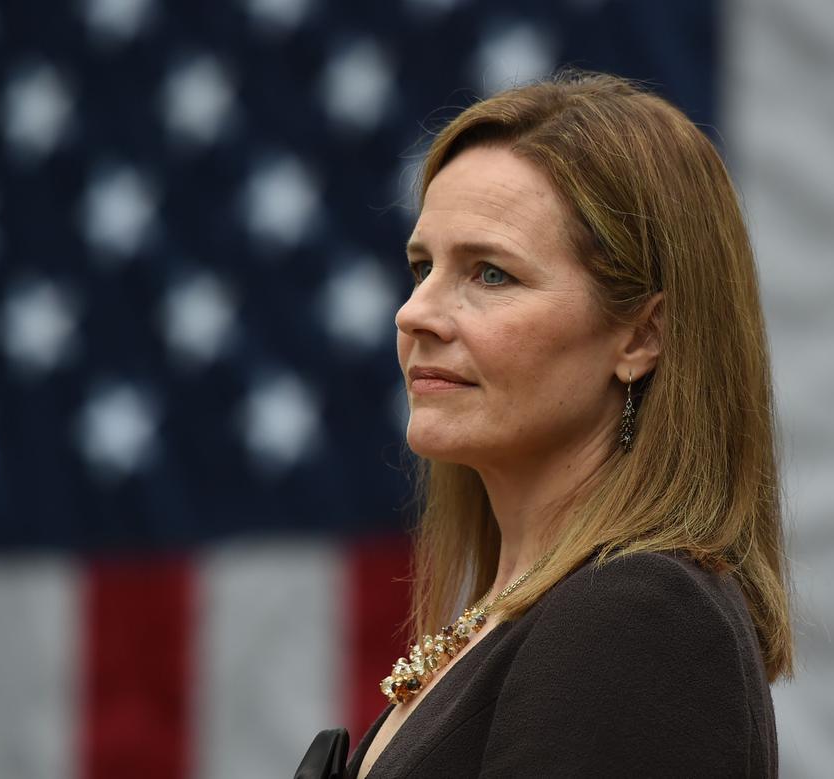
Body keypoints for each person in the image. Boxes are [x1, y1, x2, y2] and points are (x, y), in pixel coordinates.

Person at [300, 70, 793, 778]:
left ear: (640, 337)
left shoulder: (638, 619)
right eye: (421, 267)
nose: (414, 314)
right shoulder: (534, 611)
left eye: (491, 273)